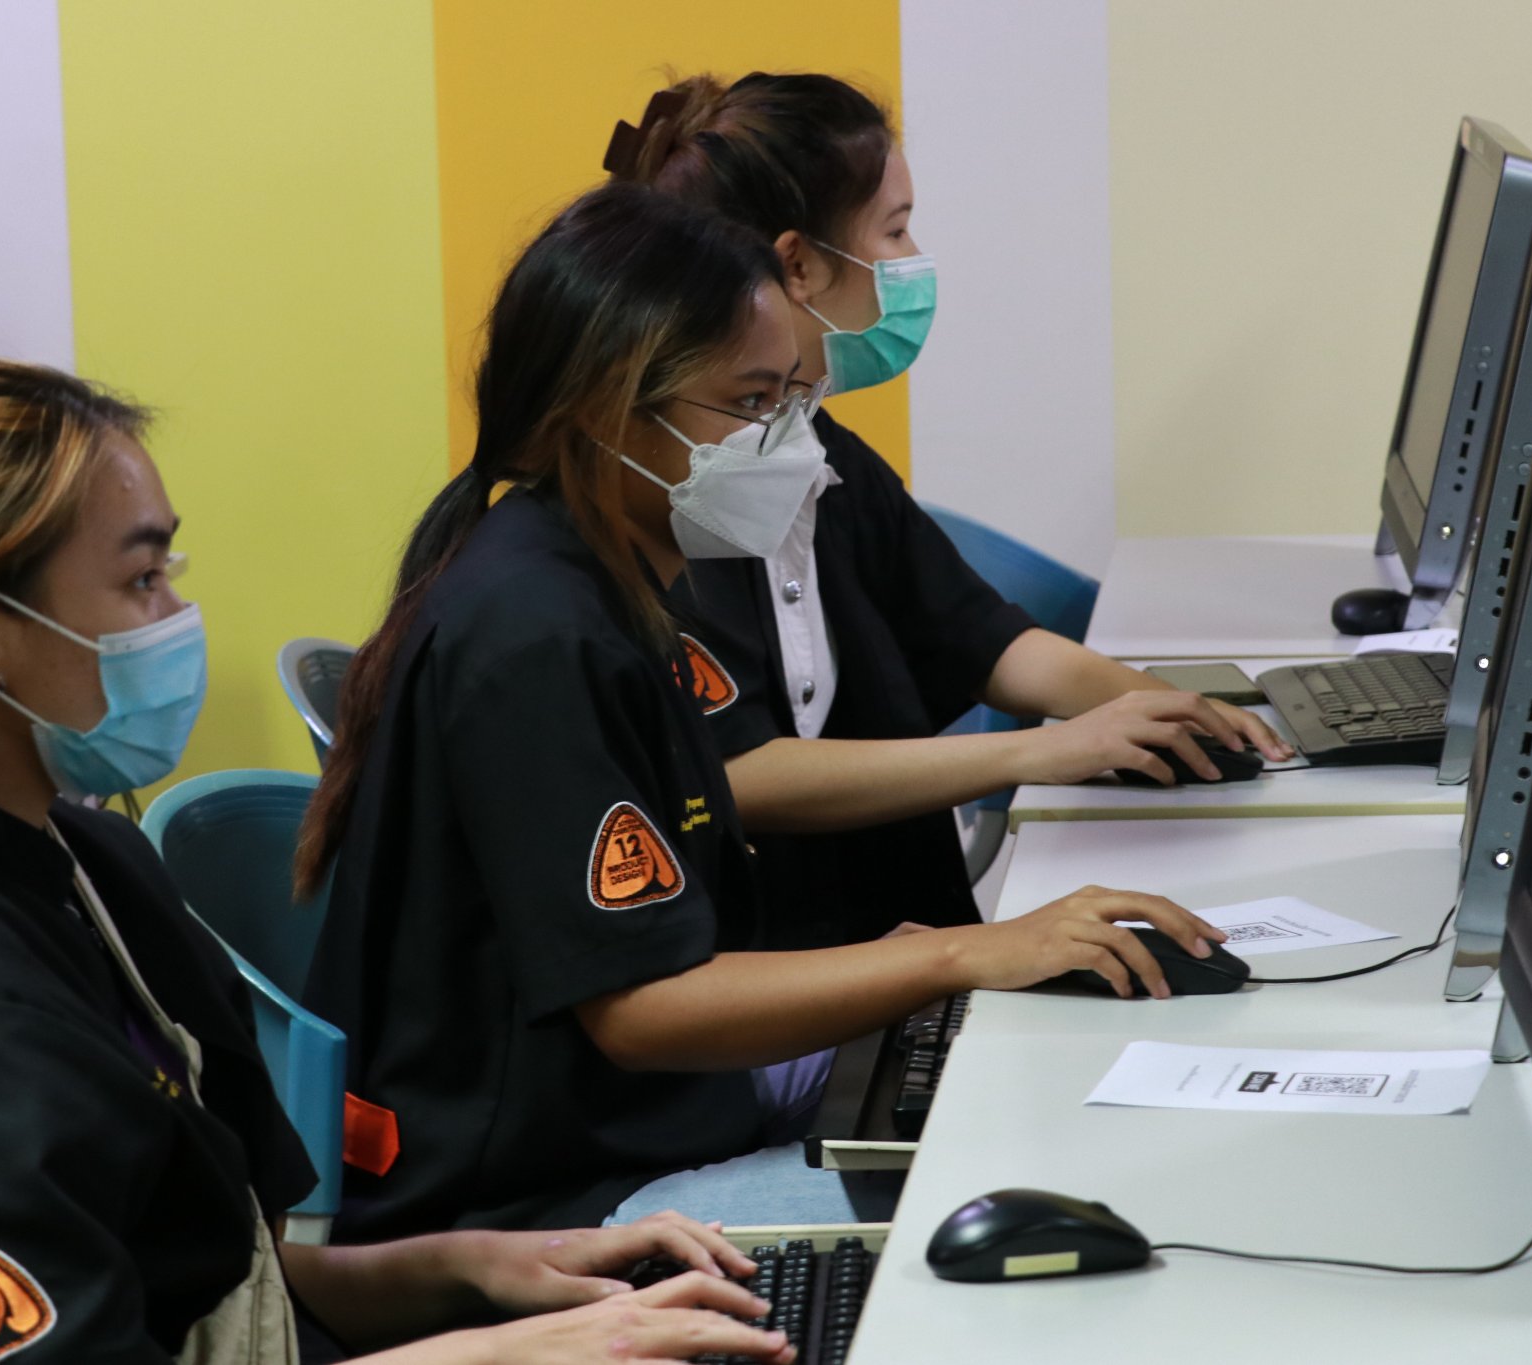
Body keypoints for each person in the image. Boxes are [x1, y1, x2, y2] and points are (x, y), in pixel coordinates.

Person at [0, 355, 794, 1365]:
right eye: (140, 581)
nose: (177, 615)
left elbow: (213, 1282)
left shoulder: (76, 857)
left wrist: (483, 1270)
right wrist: (506, 1354)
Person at [295, 183, 1224, 1242]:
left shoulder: (613, 578)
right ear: (605, 413)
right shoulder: (536, 634)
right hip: (547, 1192)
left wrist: (927, 962)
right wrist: (957, 956)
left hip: (643, 1108)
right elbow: (643, 1009)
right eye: (750, 405)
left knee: (1044, 1062)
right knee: (1023, 1144)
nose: (792, 443)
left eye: (792, 398)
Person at [604, 73, 1293, 948]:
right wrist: (1040, 751)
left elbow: (980, 636)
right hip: (788, 954)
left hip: (883, 932)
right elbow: (736, 772)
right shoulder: (693, 492)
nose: (913, 259)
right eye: (894, 231)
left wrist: (1171, 712)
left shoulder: (815, 447)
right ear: (797, 266)